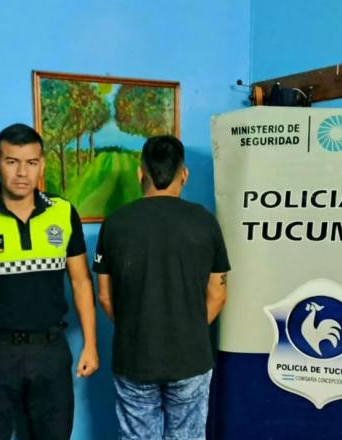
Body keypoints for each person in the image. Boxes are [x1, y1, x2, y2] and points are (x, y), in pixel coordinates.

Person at [0, 123, 98, 440]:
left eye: (31, 162)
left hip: (49, 350)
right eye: (12, 162)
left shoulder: (63, 212)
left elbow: (81, 281)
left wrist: (90, 345)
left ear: (42, 164)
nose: (22, 172)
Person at [93, 135, 230, 440]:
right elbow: (218, 294)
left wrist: (135, 327)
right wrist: (189, 328)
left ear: (140, 173)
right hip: (191, 356)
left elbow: (104, 296)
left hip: (134, 356)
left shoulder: (115, 223)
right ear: (184, 174)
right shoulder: (205, 221)